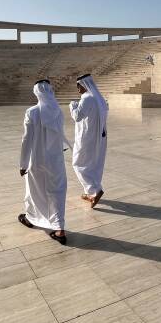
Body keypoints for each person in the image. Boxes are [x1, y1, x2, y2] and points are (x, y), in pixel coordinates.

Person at [18, 79, 71, 244]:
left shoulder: (32, 112)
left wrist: (23, 163)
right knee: (57, 192)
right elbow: (60, 135)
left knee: (34, 191)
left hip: (38, 160)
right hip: (56, 160)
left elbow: (27, 140)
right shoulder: (58, 111)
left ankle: (31, 218)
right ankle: (59, 228)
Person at [69, 74, 108, 207]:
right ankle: (90, 192)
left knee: (77, 163)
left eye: (78, 85)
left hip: (87, 137)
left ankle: (94, 190)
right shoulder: (98, 98)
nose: (77, 88)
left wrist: (72, 106)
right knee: (93, 164)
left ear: (84, 85)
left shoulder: (87, 98)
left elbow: (77, 116)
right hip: (99, 135)